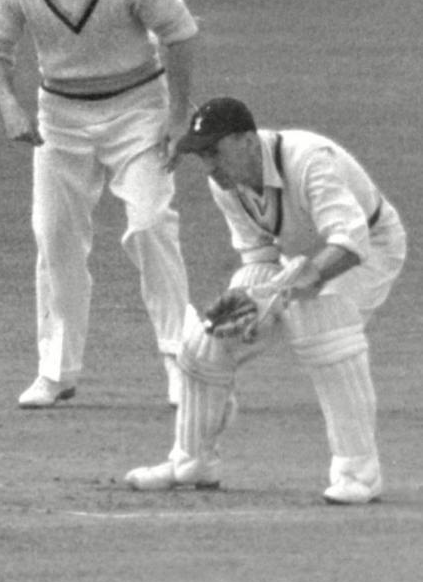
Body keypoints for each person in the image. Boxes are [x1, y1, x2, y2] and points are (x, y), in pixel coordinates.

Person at [0, 0, 199, 408]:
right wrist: (10, 105)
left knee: (149, 226)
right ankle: (56, 371)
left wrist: (177, 117)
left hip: (138, 111)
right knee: (54, 239)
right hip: (61, 120)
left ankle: (181, 362)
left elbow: (180, 32)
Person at [125, 97, 406, 504]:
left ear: (246, 141)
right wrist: (246, 298)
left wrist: (297, 286)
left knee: (322, 324)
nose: (209, 166)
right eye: (202, 155)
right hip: (300, 255)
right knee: (207, 340)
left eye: (214, 152)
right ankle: (192, 462)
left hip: (371, 246)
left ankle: (359, 473)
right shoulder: (225, 183)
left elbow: (351, 241)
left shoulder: (310, 160)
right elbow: (259, 255)